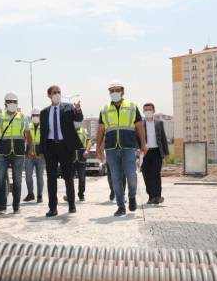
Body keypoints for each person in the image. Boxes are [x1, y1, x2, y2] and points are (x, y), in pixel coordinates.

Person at [96, 80, 147, 216]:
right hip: (111, 148)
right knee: (116, 178)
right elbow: (101, 129)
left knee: (131, 175)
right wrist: (98, 147)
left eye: (117, 90)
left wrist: (143, 143)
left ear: (122, 91)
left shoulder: (131, 106)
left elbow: (140, 127)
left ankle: (131, 197)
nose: (114, 93)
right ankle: (120, 206)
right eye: (111, 91)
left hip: (128, 147)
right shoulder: (104, 109)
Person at [38, 85, 84, 217]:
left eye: (59, 92)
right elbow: (42, 133)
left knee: (68, 177)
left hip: (65, 146)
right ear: (49, 96)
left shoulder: (68, 107)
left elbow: (78, 119)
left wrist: (78, 110)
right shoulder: (44, 112)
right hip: (51, 147)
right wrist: (42, 150)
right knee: (51, 178)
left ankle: (72, 205)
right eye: (54, 92)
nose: (57, 94)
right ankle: (53, 208)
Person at [0, 92, 33, 214]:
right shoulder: (0, 117)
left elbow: (28, 136)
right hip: (2, 152)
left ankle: (16, 206)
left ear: (17, 103)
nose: (12, 104)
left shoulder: (23, 117)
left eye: (14, 102)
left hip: (18, 153)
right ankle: (2, 207)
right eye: (10, 102)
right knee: (1, 180)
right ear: (5, 103)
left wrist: (30, 150)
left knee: (17, 180)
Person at [140, 103, 169, 204]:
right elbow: (136, 138)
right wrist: (137, 149)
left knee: (156, 174)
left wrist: (166, 153)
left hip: (157, 152)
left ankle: (158, 196)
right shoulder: (140, 124)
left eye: (149, 109)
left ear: (153, 110)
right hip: (145, 153)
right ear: (143, 111)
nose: (148, 111)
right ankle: (151, 196)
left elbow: (163, 138)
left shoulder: (159, 123)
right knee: (146, 175)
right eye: (146, 109)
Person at [64, 122, 91, 202]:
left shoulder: (84, 131)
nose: (76, 123)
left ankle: (81, 194)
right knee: (69, 178)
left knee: (82, 178)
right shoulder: (68, 131)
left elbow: (89, 142)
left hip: (81, 158)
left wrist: (87, 150)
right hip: (71, 158)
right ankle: (69, 195)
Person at [24, 107, 45, 203]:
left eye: (37, 115)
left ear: (40, 116)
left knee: (39, 176)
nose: (35, 117)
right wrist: (27, 152)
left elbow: (46, 141)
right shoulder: (28, 126)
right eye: (34, 115)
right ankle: (30, 194)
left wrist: (44, 153)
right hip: (29, 155)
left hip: (40, 155)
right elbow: (25, 140)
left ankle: (39, 195)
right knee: (28, 175)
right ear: (31, 116)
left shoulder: (44, 127)